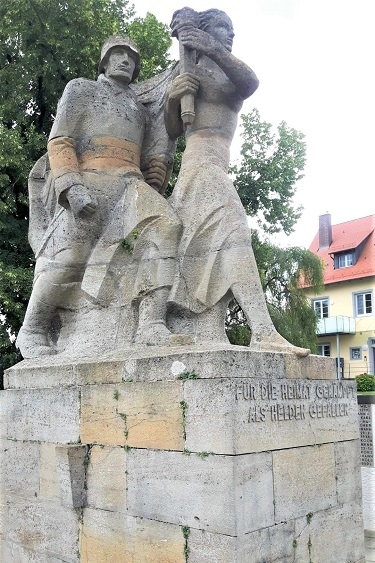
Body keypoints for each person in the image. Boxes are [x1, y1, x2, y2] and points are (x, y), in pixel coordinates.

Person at [17, 36, 182, 358]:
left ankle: (150, 324)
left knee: (167, 226)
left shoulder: (141, 109)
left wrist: (157, 172)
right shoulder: (81, 89)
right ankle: (33, 328)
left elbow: (152, 155)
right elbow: (61, 140)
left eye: (131, 58)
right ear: (104, 61)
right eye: (118, 55)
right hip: (89, 180)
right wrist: (71, 186)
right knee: (68, 258)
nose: (125, 61)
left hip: (131, 185)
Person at [165, 9, 309, 356]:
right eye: (222, 28)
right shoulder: (185, 68)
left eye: (232, 31)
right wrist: (173, 97)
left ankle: (215, 331)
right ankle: (262, 331)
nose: (230, 35)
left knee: (213, 251)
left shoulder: (228, 70)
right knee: (232, 231)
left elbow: (250, 83)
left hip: (217, 165)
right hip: (198, 168)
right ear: (204, 29)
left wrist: (213, 47)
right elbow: (171, 130)